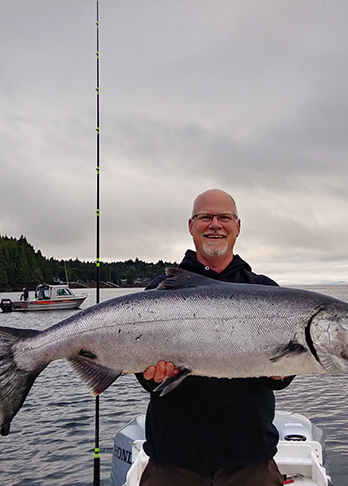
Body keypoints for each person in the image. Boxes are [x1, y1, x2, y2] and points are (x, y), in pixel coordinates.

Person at [136, 189, 294, 486]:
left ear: (237, 226)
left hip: (250, 462)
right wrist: (152, 376)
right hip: (173, 462)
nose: (215, 225)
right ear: (191, 226)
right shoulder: (163, 289)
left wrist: (282, 374)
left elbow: (281, 377)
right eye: (205, 217)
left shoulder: (266, 291)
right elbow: (144, 376)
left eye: (224, 217)